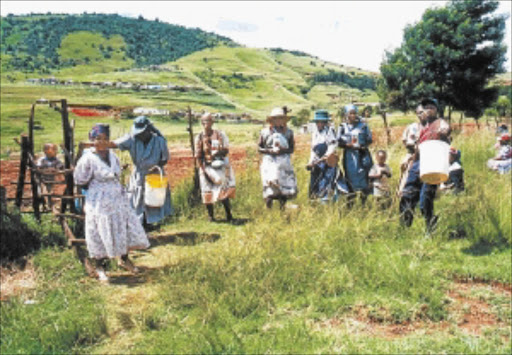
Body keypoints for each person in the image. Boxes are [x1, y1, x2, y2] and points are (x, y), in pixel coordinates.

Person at [74, 124, 149, 282]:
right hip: (99, 200)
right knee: (99, 230)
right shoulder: (88, 158)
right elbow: (79, 179)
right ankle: (100, 266)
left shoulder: (112, 155)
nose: (101, 142)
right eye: (97, 139)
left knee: (122, 226)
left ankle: (124, 259)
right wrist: (95, 188)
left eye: (105, 139)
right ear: (92, 140)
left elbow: (116, 173)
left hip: (117, 198)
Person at [399, 98, 451, 233]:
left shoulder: (440, 123)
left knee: (425, 199)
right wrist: (411, 164)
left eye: (432, 107)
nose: (428, 109)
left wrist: (444, 132)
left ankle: (430, 228)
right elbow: (418, 148)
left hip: (433, 164)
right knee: (407, 195)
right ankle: (404, 229)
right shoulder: (421, 127)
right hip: (417, 163)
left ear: (436, 110)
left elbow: (446, 129)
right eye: (426, 107)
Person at [113, 116, 173, 227]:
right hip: (139, 174)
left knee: (153, 200)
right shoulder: (132, 139)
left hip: (154, 176)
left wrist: (155, 167)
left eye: (141, 133)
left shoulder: (159, 141)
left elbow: (164, 158)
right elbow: (114, 144)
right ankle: (138, 226)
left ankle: (149, 224)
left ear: (148, 131)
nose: (139, 135)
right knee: (137, 200)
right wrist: (97, 145)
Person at [194, 112, 236, 222]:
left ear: (212, 123)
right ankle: (211, 216)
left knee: (223, 190)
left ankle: (229, 215)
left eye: (209, 121)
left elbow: (226, 150)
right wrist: (203, 170)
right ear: (202, 123)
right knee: (207, 191)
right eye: (205, 121)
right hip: (205, 166)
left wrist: (218, 153)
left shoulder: (220, 135)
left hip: (219, 165)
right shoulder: (199, 137)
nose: (207, 124)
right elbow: (198, 155)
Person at [258, 106, 298, 209]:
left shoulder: (288, 132)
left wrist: (282, 150)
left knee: (283, 187)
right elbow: (259, 148)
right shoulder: (265, 132)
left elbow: (291, 149)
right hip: (269, 162)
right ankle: (269, 210)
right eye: (276, 118)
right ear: (272, 120)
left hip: (284, 162)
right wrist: (270, 151)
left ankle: (282, 209)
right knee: (270, 186)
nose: (278, 120)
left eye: (280, 118)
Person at [337, 104, 373, 205]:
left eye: (354, 113)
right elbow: (338, 142)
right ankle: (351, 203)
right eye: (350, 113)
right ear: (346, 114)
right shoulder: (342, 127)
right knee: (350, 178)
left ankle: (363, 203)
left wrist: (362, 146)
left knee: (364, 177)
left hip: (362, 155)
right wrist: (347, 145)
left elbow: (369, 140)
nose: (353, 115)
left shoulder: (363, 126)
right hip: (349, 157)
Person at [306, 109, 341, 202]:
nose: (320, 124)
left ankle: (326, 204)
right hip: (317, 164)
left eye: (322, 122)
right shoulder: (315, 133)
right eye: (318, 122)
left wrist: (325, 157)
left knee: (326, 184)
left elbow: (332, 146)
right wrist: (310, 162)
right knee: (314, 185)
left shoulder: (330, 131)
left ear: (325, 122)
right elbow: (313, 150)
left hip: (328, 164)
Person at [398, 105, 428, 197]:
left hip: (427, 157)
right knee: (406, 175)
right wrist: (414, 146)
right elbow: (405, 141)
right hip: (412, 155)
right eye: (418, 113)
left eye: (423, 112)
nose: (421, 115)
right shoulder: (412, 127)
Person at [36, 143, 64, 208]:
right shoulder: (42, 160)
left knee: (50, 191)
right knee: (43, 191)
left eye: (55, 150)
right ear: (45, 151)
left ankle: (49, 205)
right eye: (53, 150)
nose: (55, 152)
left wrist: (56, 170)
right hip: (42, 179)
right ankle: (45, 204)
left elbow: (60, 167)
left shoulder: (56, 160)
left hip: (51, 179)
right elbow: (38, 168)